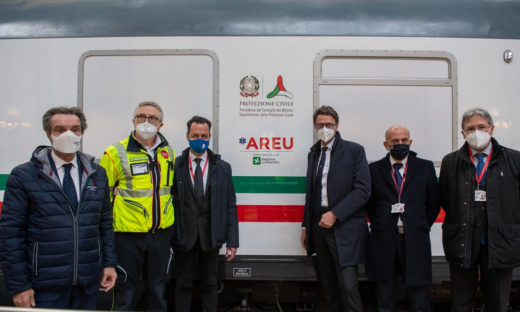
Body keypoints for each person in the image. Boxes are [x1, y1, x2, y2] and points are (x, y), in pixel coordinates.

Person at [0, 106, 117, 309]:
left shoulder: (97, 173)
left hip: (86, 282)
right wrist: (19, 286)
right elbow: (11, 234)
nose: (69, 134)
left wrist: (109, 264)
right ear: (49, 134)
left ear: (82, 133)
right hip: (44, 285)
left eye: (75, 129)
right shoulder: (24, 176)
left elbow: (104, 224)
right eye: (60, 129)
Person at [440, 107, 520, 312]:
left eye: (481, 126)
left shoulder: (514, 159)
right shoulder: (451, 162)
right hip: (462, 240)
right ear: (463, 134)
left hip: (500, 241)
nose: (476, 132)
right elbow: (446, 199)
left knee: (498, 303)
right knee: (461, 302)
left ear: (491, 129)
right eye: (471, 128)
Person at [99, 101, 175, 311]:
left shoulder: (168, 152)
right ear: (133, 121)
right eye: (141, 117)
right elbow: (103, 197)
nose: (146, 122)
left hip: (160, 234)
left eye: (153, 118)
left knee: (158, 290)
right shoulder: (115, 152)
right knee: (126, 290)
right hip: (127, 235)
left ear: (161, 124)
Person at [300, 105, 371, 312]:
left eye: (329, 124)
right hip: (318, 227)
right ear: (315, 127)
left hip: (344, 227)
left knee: (348, 285)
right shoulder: (313, 154)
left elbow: (363, 190)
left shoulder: (354, 151)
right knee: (328, 287)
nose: (325, 128)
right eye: (320, 124)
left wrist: (335, 213)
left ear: (337, 126)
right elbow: (311, 194)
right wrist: (306, 226)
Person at [366, 125, 440, 312]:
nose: (400, 144)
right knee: (384, 294)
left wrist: (420, 225)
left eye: (404, 140)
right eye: (395, 141)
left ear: (410, 142)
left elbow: (433, 203)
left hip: (415, 238)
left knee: (419, 297)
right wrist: (381, 224)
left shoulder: (425, 167)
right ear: (386, 144)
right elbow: (370, 205)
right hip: (384, 239)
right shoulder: (373, 170)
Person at [172, 115, 239, 312]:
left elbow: (230, 204)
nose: (199, 139)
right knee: (182, 284)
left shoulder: (223, 167)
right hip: (183, 236)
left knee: (210, 284)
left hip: (211, 235)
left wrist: (232, 241)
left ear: (209, 136)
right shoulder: (175, 166)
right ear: (187, 136)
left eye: (204, 135)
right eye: (195, 135)